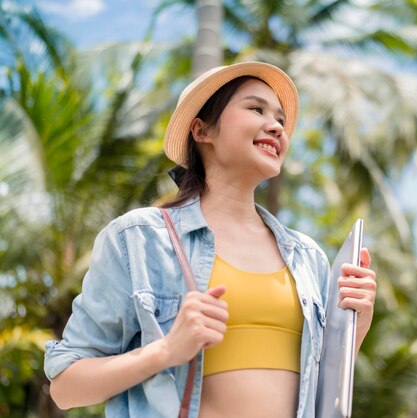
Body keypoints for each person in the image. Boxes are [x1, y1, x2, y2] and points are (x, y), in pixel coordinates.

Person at [43, 61, 377, 418]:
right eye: (256, 109)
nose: (276, 126)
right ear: (202, 130)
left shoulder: (308, 257)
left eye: (281, 119)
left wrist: (355, 327)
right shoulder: (139, 239)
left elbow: (320, 393)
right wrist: (167, 350)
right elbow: (66, 387)